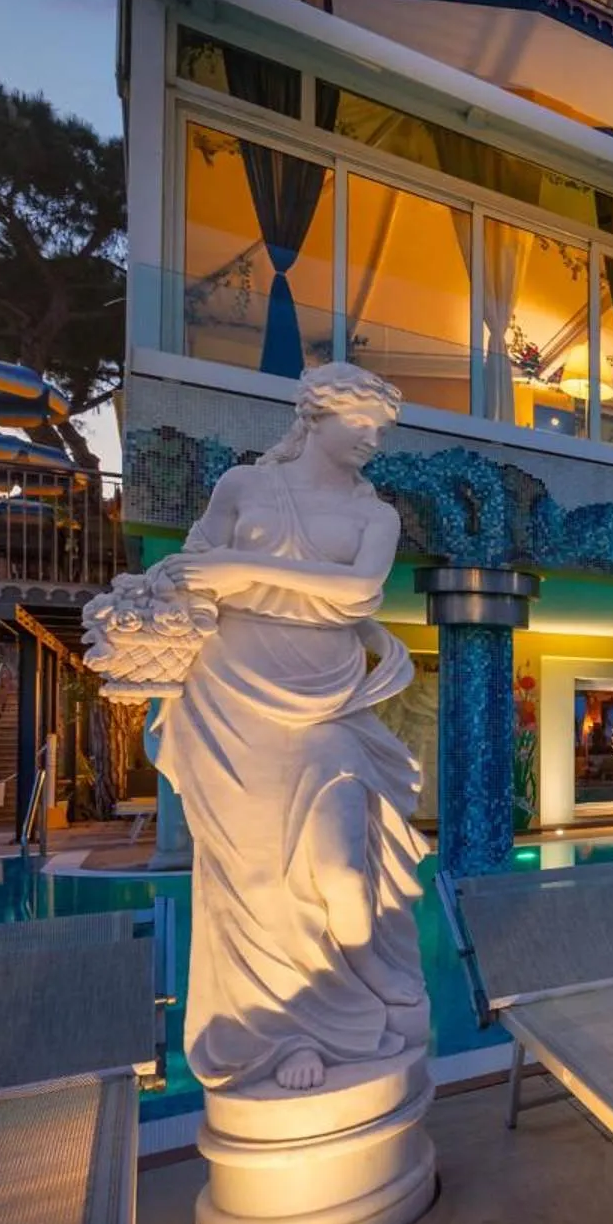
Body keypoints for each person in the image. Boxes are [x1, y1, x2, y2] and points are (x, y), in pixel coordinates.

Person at [152, 362, 430, 1093]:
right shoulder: (243, 487)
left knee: (341, 862)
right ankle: (284, 1029)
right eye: (361, 424)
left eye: (380, 430)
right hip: (232, 692)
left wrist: (242, 569)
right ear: (316, 417)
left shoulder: (377, 516)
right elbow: (192, 571)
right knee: (253, 872)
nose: (373, 440)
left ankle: (361, 959)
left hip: (327, 696)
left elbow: (359, 589)